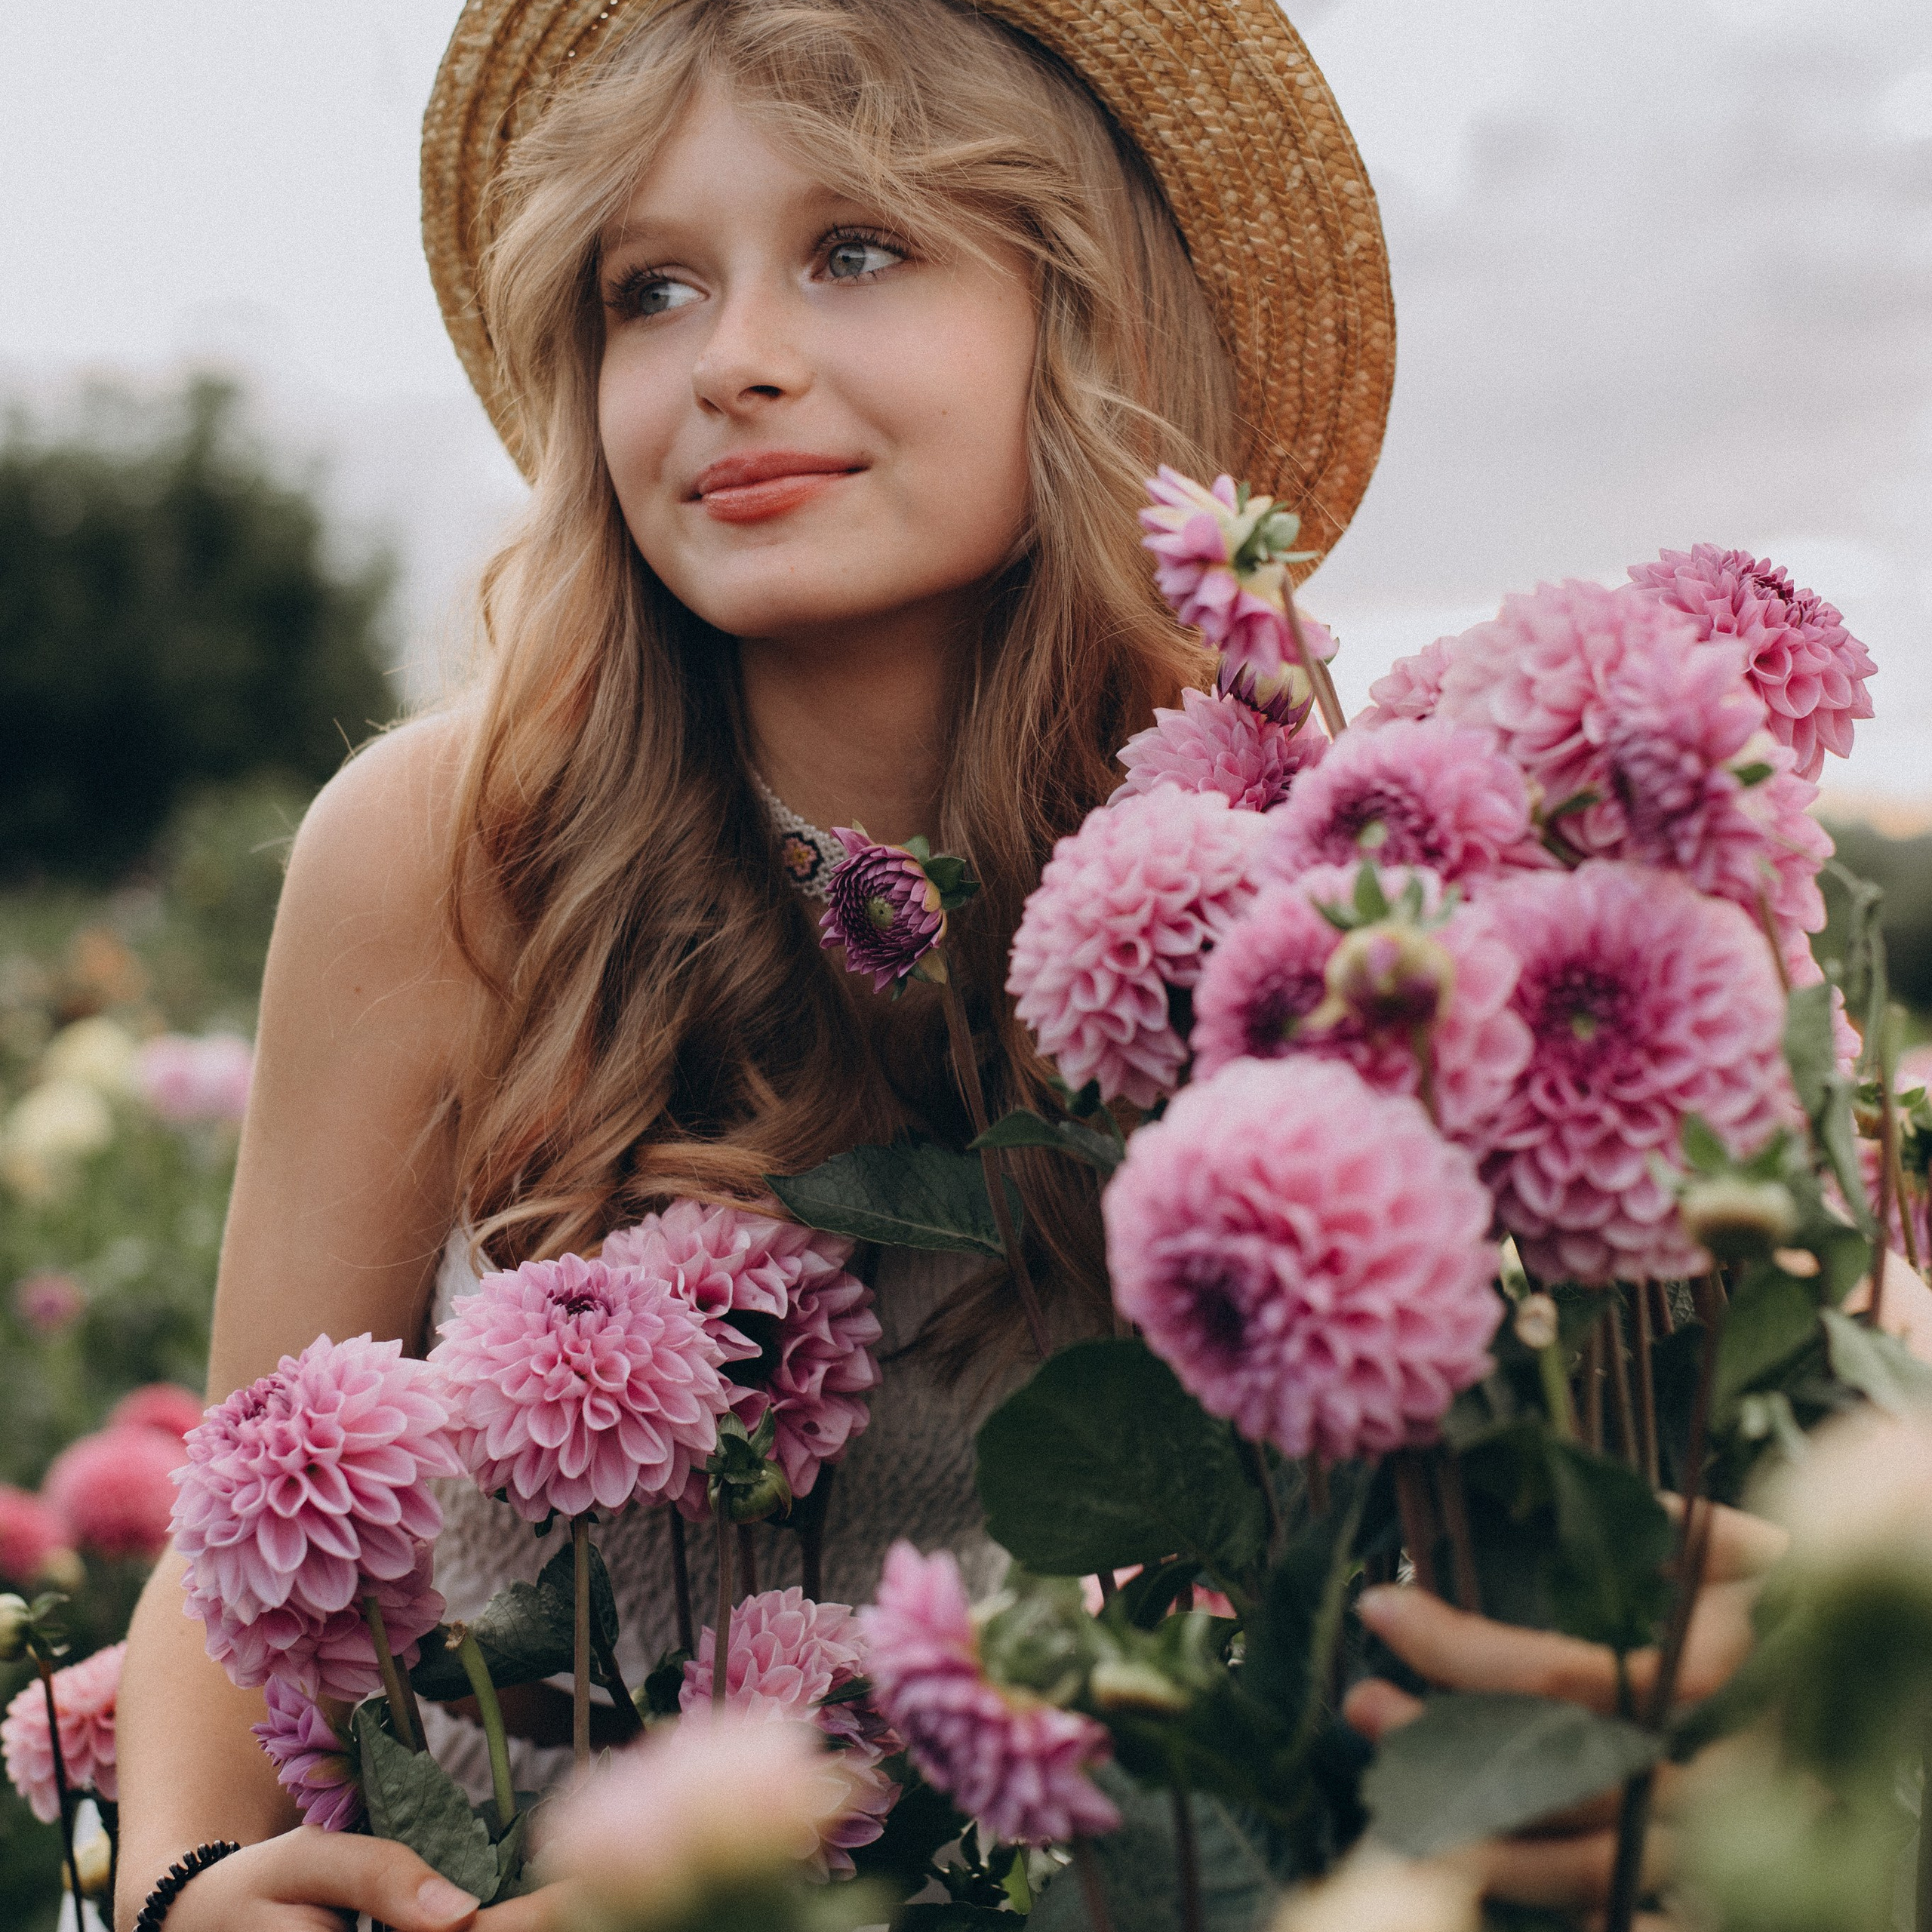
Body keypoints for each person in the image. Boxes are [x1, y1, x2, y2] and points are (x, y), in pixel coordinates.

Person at [108, 2, 1932, 1927]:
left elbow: (1807, 1445)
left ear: (1084, 317)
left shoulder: (1324, 882)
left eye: (856, 249)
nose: (730, 359)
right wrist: (190, 1884)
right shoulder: (444, 852)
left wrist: (1758, 1678)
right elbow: (239, 1531)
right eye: (647, 289)